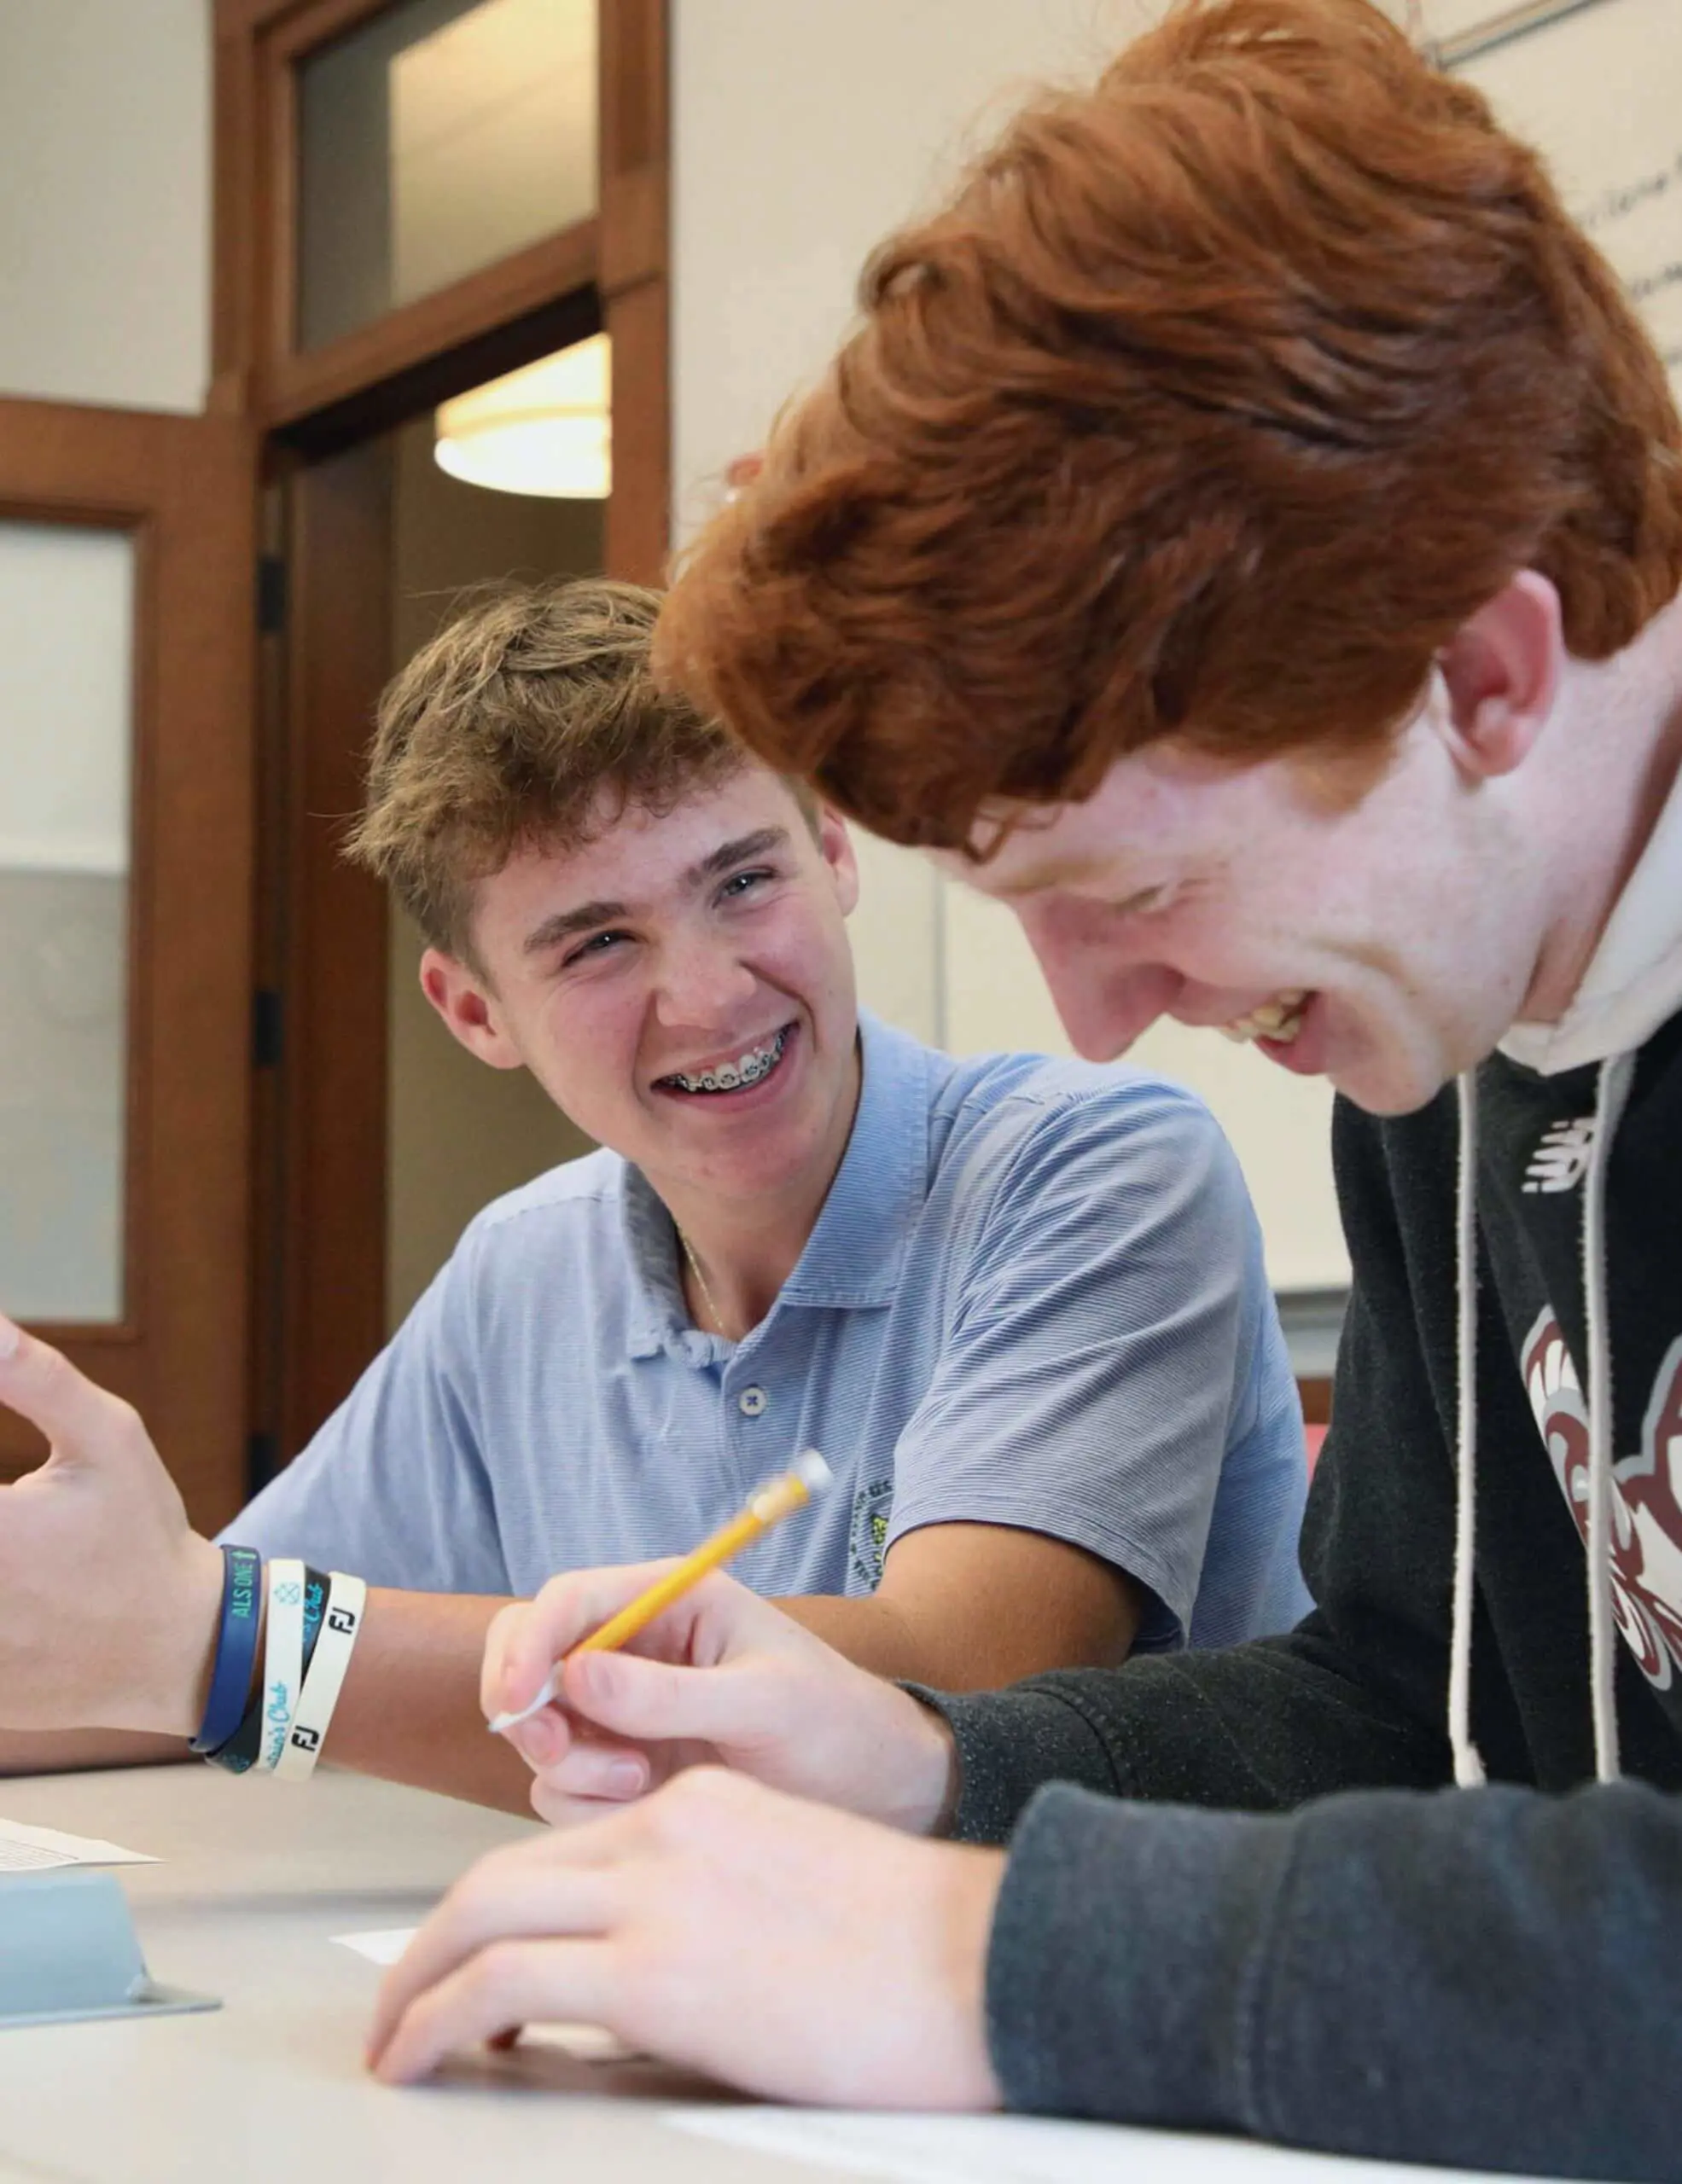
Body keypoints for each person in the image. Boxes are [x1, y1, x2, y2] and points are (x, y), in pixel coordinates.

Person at [364, 5, 1682, 2177]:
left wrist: (983, 1954)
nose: (1090, 1022)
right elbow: (1392, 1703)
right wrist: (919, 1764)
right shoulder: (1434, 1033)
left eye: (1139, 886)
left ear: (1479, 675)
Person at [0, 578, 1308, 1811]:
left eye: (743, 881)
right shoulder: (526, 1267)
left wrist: (226, 1651)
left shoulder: (1097, 1171)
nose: (711, 995)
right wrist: (147, 1630)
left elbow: (953, 1687)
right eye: (598, 944)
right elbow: (157, 1651)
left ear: (835, 854)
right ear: (474, 1012)